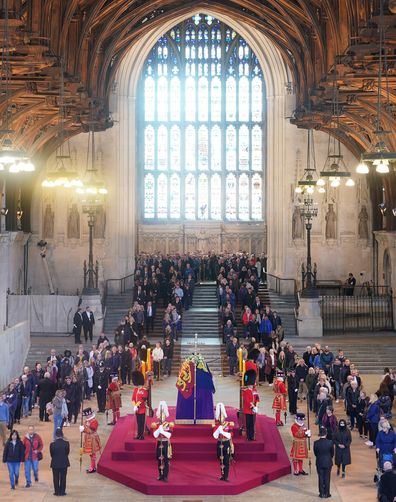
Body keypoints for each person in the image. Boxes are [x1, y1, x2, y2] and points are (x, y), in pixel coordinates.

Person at [151, 401, 174, 482]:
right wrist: (158, 429)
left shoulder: (169, 424)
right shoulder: (156, 424)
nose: (162, 418)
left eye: (163, 416)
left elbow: (169, 435)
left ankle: (165, 476)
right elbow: (155, 435)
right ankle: (160, 475)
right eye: (160, 417)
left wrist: (162, 431)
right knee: (159, 459)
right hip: (159, 443)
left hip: (166, 443)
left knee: (166, 460)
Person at [213, 402, 234, 481]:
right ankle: (222, 475)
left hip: (226, 443)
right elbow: (214, 436)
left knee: (226, 460)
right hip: (219, 443)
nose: (221, 418)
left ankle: (226, 476)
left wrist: (223, 432)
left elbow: (230, 435)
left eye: (222, 416)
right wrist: (219, 429)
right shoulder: (217, 425)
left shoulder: (228, 424)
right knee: (221, 460)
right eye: (219, 416)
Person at [313, 426, 334, 499]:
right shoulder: (330, 442)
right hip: (328, 462)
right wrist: (328, 458)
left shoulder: (316, 443)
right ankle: (327, 493)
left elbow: (315, 453)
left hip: (319, 462)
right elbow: (332, 453)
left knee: (320, 477)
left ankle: (321, 493)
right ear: (326, 434)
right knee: (327, 478)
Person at [79, 407, 101, 473]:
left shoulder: (94, 421)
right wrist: (83, 430)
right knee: (91, 454)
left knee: (93, 453)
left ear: (89, 414)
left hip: (93, 439)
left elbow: (92, 430)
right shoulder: (87, 420)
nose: (85, 417)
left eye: (86, 415)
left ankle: (93, 467)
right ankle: (93, 466)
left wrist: (84, 429)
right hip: (88, 438)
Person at [50, 428, 70, 496]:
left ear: (56, 435)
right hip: (64, 463)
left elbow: (51, 454)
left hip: (55, 463)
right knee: (63, 477)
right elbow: (67, 453)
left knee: (55, 477)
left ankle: (57, 492)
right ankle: (62, 492)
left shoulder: (52, 444)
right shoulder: (66, 443)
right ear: (62, 435)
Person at [242, 369, 258, 441]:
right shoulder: (245, 391)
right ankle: (249, 437)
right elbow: (246, 400)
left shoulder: (254, 390)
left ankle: (252, 436)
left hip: (253, 410)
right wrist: (252, 405)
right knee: (248, 424)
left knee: (252, 424)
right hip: (248, 410)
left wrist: (256, 405)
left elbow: (257, 397)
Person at [131, 370, 148, 440]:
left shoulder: (144, 390)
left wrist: (137, 406)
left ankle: (142, 435)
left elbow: (142, 400)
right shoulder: (136, 389)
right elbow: (133, 398)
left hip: (142, 410)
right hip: (137, 410)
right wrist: (134, 405)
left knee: (142, 423)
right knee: (138, 423)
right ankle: (138, 434)